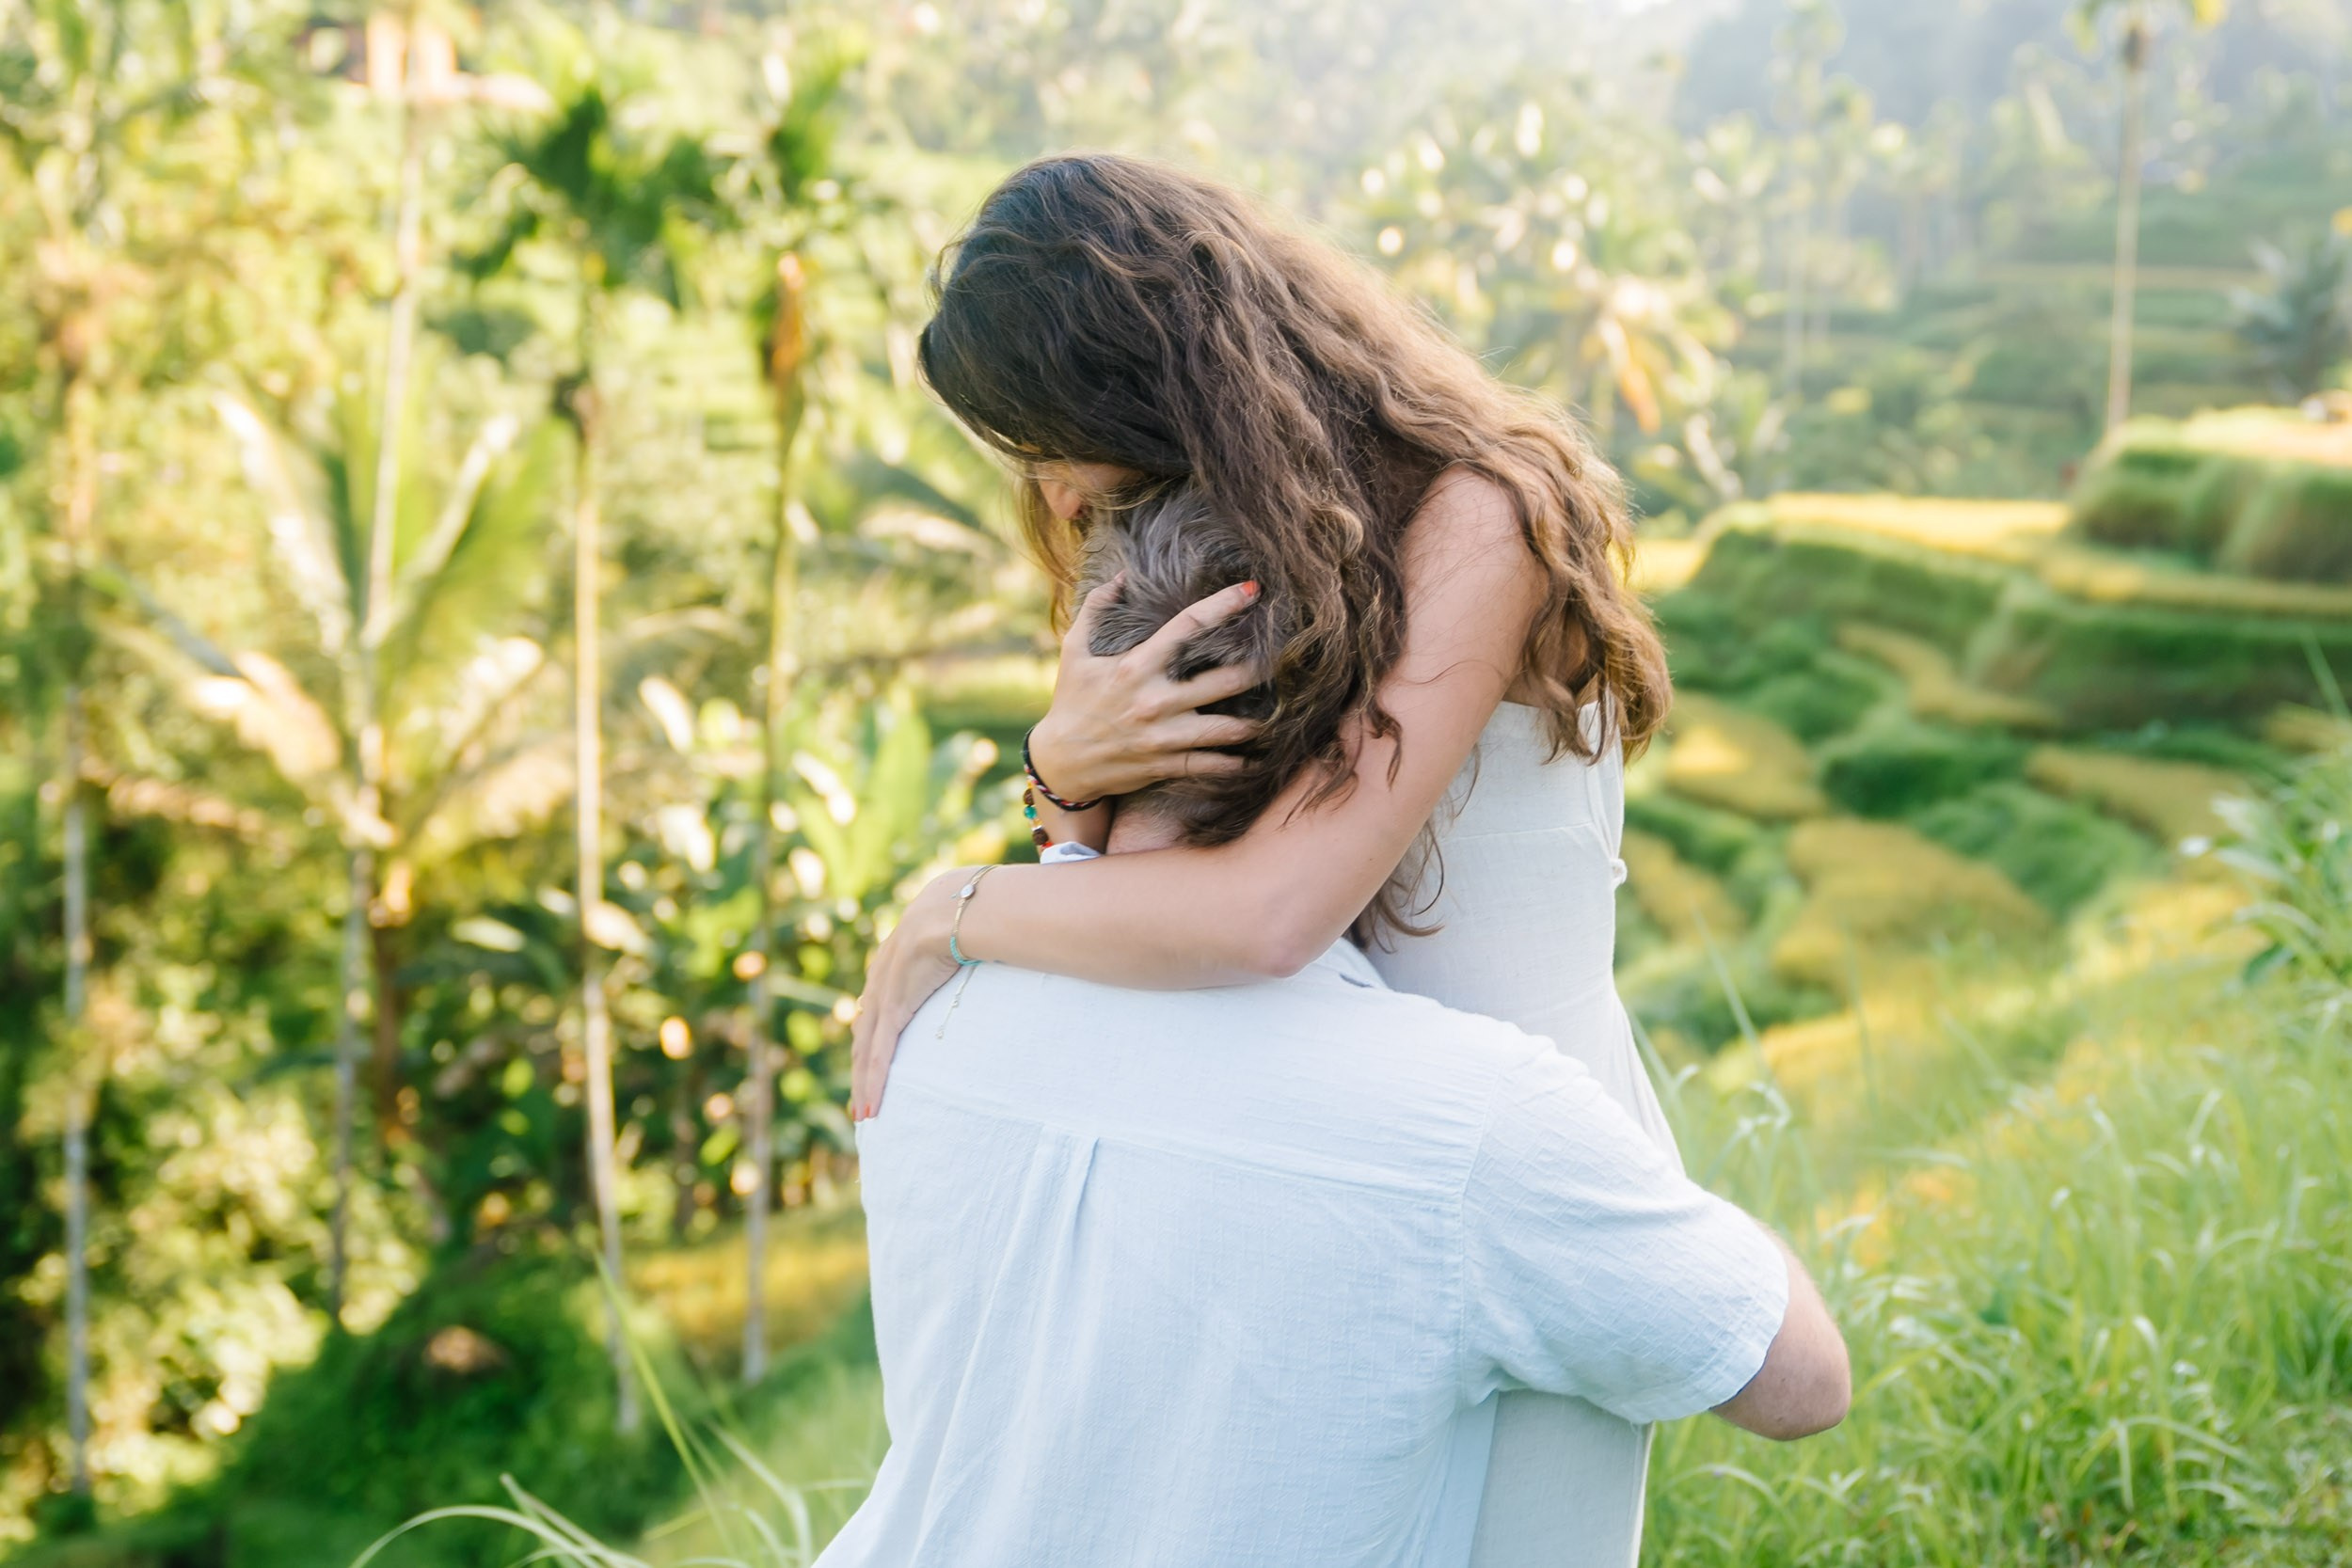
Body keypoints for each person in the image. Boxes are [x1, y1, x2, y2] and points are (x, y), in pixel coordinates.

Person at [851, 153, 1700, 1564]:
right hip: (1323, 1181)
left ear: (1139, 385)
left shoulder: (1475, 514)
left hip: (1525, 1179)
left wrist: (954, 908)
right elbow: (1161, 893)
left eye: (1051, 438)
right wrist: (1064, 779)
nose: (1054, 496)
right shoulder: (1259, 540)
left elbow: (1272, 910)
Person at [820, 489, 1847, 1568]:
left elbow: (1078, 877)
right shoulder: (1469, 1129)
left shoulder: (925, 1015)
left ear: (1089, 684)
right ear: (1345, 737)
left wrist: (1057, 784)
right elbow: (1803, 1381)